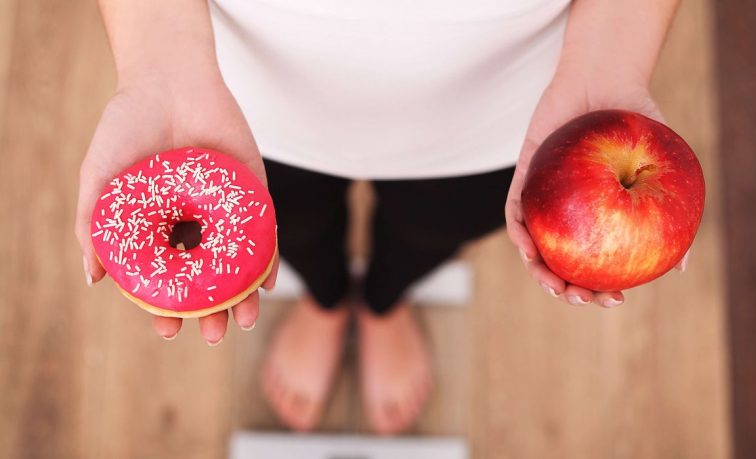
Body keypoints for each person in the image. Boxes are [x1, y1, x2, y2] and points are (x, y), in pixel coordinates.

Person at [76, 0, 686, 435]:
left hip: (513, 106)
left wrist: (612, 60)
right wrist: (157, 60)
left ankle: (384, 300)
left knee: (432, 229)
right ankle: (326, 296)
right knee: (293, 226)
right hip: (230, 96)